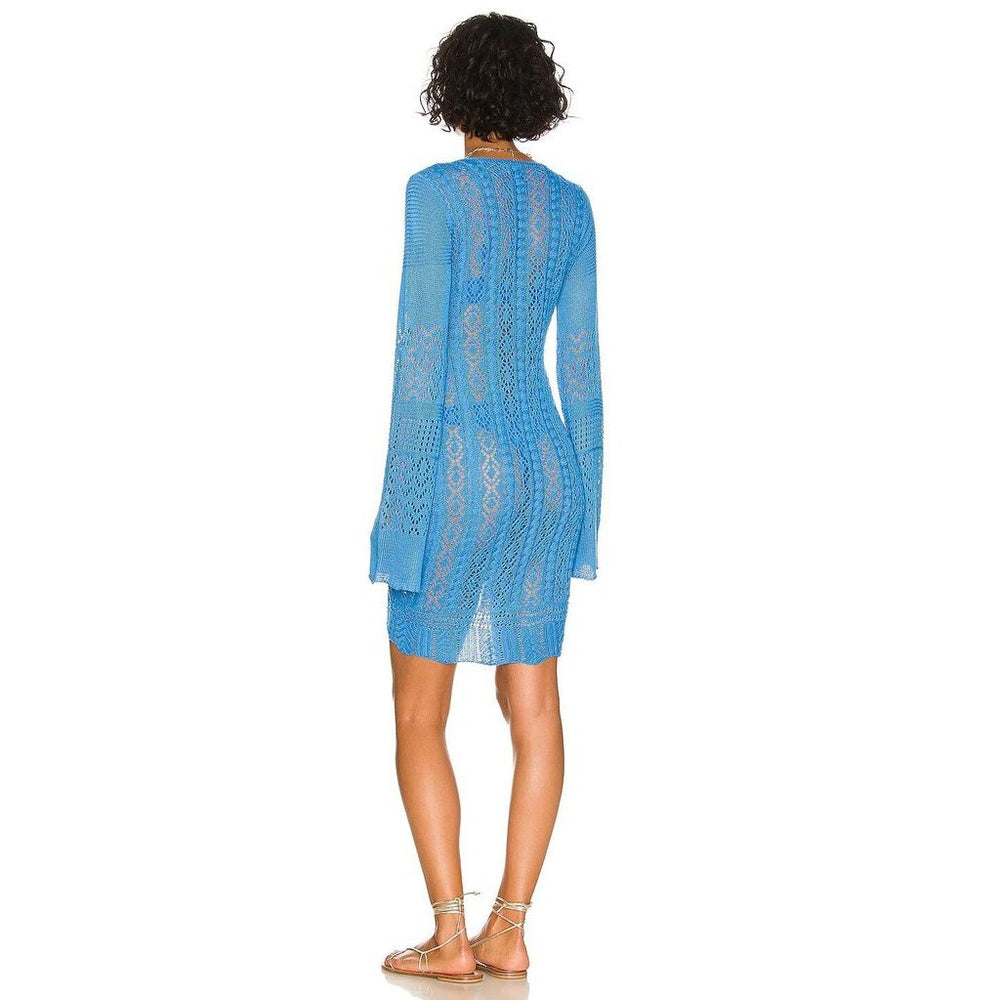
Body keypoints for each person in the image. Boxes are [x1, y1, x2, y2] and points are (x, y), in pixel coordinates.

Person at [368, 13, 604, 983]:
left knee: (417, 711)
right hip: (547, 469)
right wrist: (586, 515)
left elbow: (419, 362)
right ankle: (511, 926)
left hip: (460, 467)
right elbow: (581, 368)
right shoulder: (571, 207)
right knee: (534, 704)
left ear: (452, 92)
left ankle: (450, 936)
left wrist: (400, 516)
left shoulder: (436, 195)